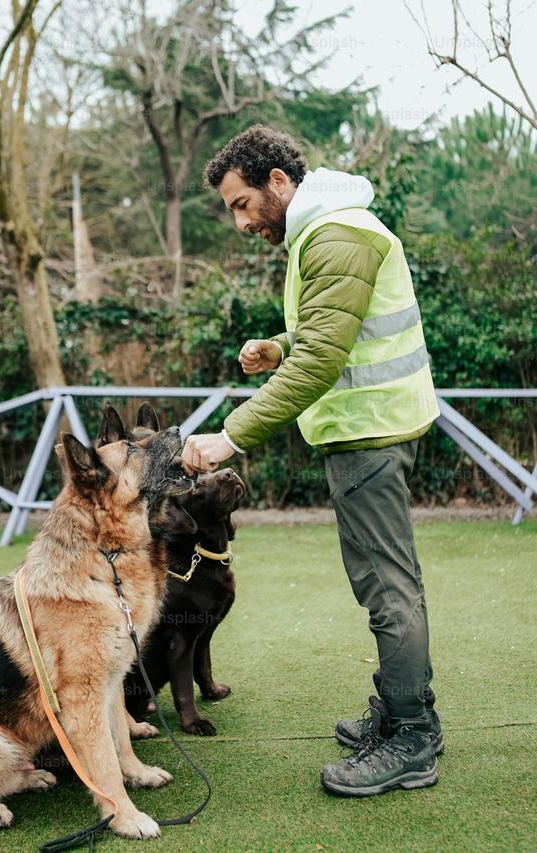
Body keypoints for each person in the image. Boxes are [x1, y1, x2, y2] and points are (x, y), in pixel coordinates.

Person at [180, 124, 443, 797]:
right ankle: (403, 710)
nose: (240, 222)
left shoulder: (334, 233)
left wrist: (232, 435)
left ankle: (413, 738)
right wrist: (280, 342)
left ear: (277, 181)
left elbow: (327, 356)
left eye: (241, 204)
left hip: (371, 435)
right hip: (362, 433)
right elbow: (329, 328)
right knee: (383, 583)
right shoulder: (325, 233)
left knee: (388, 589)